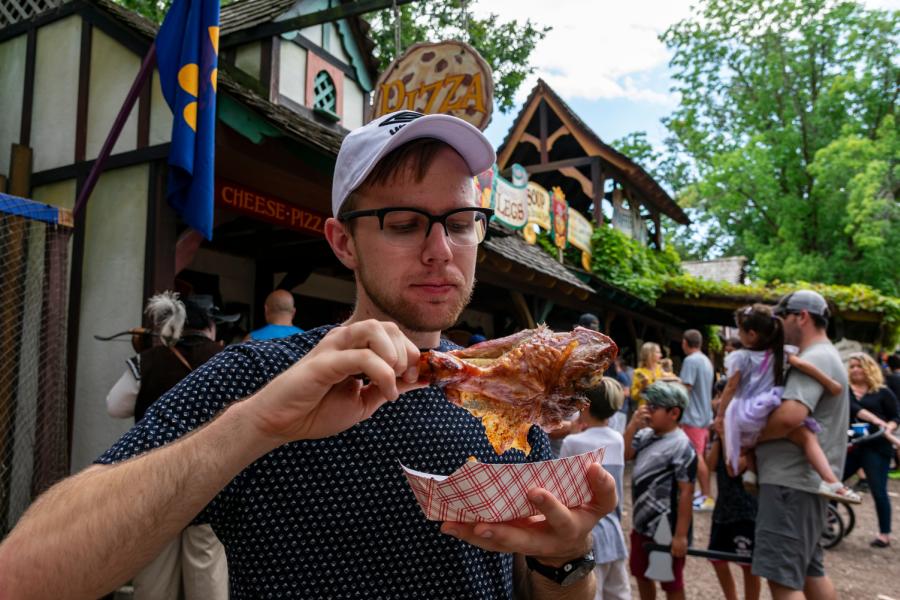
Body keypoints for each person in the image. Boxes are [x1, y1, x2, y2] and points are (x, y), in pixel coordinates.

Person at [0, 111, 616, 599]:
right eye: (404, 223)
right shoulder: (259, 378)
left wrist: (564, 559)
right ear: (343, 242)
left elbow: (550, 591)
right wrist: (257, 425)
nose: (440, 250)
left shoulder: (509, 398)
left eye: (460, 222)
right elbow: (25, 576)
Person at [751, 290, 850, 599]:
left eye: (782, 317)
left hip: (790, 484)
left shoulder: (816, 357)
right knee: (809, 570)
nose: (778, 324)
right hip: (803, 484)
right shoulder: (826, 355)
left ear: (802, 317)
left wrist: (751, 436)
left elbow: (790, 416)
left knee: (782, 581)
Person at [717, 303, 859, 504]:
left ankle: (751, 472)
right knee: (806, 436)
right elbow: (802, 365)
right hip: (767, 406)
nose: (738, 335)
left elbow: (731, 388)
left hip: (743, 412)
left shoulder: (739, 357)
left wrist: (721, 416)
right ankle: (832, 481)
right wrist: (831, 383)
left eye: (739, 331)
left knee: (746, 445)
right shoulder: (782, 353)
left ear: (751, 334)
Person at [624, 380, 697, 600]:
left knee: (671, 581)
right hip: (642, 522)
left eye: (653, 407)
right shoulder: (646, 435)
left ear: (674, 413)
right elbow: (626, 454)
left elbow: (686, 492)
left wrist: (681, 535)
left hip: (666, 525)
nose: (647, 411)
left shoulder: (682, 445)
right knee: (641, 573)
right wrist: (632, 426)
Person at [560, 378, 630, 600]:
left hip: (588, 534)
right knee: (619, 593)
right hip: (614, 531)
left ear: (585, 405)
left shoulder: (573, 442)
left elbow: (562, 491)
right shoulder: (618, 439)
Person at [706, 387, 761, 600]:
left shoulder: (747, 435)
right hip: (724, 507)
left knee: (747, 564)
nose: (717, 401)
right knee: (716, 557)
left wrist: (723, 433)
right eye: (717, 396)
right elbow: (710, 465)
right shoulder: (720, 432)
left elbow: (735, 468)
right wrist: (719, 437)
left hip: (746, 509)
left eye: (722, 397)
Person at [843, 352, 899, 548]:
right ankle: (828, 522)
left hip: (877, 446)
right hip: (853, 445)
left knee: (878, 489)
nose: (856, 370)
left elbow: (895, 417)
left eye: (859, 366)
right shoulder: (846, 391)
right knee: (834, 482)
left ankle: (884, 534)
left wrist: (888, 427)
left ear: (869, 369)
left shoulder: (882, 392)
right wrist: (876, 420)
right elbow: (852, 408)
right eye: (852, 366)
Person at [678, 329, 716, 512]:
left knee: (697, 456)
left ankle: (707, 496)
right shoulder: (706, 360)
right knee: (701, 455)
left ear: (685, 343)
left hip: (693, 417)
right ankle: (703, 494)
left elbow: (685, 389)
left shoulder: (691, 361)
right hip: (704, 416)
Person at [631, 342, 663, 407]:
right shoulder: (638, 372)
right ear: (650, 354)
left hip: (661, 409)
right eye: (658, 352)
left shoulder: (662, 369)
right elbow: (634, 397)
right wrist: (643, 386)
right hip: (645, 410)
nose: (661, 355)